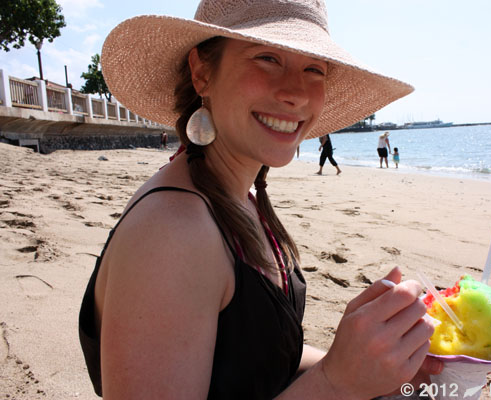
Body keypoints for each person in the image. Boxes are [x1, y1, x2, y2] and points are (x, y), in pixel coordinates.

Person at [78, 0, 442, 399]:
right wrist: (338, 381)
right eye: (267, 58)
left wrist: (378, 365)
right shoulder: (172, 231)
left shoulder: (239, 199)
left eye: (313, 69)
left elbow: (257, 358)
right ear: (202, 73)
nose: (295, 93)